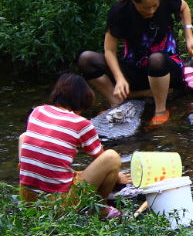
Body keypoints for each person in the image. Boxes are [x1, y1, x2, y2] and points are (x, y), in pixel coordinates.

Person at [77, 0, 193, 127]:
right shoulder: (120, 12)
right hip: (136, 69)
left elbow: (184, 7)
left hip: (167, 71)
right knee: (86, 59)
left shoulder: (166, 0)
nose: (151, 11)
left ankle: (160, 110)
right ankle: (117, 101)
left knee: (155, 59)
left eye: (154, 6)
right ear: (133, 1)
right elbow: (109, 51)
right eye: (145, 7)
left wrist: (189, 38)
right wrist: (119, 78)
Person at [18, 74, 130, 218]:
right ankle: (101, 209)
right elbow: (101, 157)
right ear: (81, 102)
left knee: (23, 137)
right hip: (58, 203)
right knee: (112, 157)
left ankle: (31, 191)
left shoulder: (37, 111)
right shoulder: (81, 123)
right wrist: (117, 176)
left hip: (28, 199)